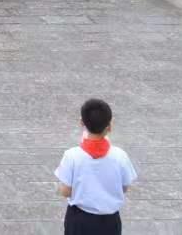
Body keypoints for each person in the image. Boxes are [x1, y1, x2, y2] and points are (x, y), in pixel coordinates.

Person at [54, 97, 137, 235]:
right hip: (110, 222)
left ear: (82, 122)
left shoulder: (72, 156)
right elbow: (124, 187)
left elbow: (65, 191)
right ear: (109, 126)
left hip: (79, 220)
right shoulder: (120, 155)